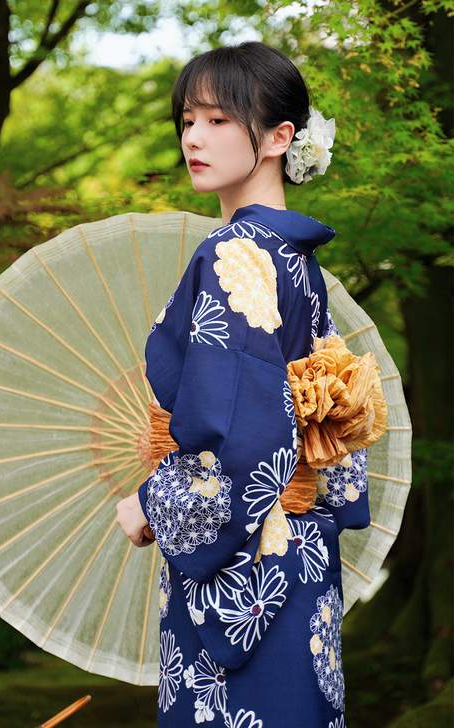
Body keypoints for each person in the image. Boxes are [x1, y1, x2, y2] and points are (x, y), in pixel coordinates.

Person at [113, 41, 365, 727]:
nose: (193, 137)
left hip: (247, 562)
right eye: (187, 120)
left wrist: (151, 501)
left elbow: (241, 431)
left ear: (280, 137)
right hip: (296, 559)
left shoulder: (233, 254)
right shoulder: (295, 260)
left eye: (219, 120)